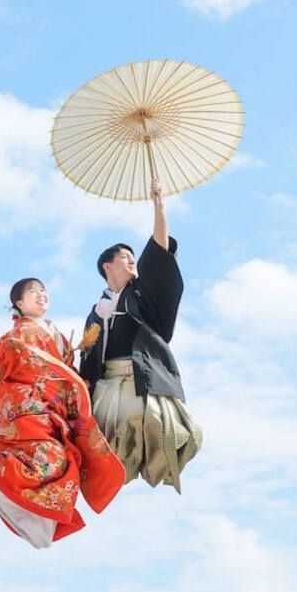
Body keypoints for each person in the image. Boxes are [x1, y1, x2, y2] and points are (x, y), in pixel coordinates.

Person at [0, 278, 125, 549]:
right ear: (19, 304)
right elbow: (1, 358)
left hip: (52, 411)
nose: (40, 295)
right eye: (32, 292)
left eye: (42, 291)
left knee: (63, 467)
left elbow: (66, 372)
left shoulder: (57, 336)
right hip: (26, 406)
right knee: (49, 458)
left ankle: (0, 495)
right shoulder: (18, 334)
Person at [78, 180, 202, 493]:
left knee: (166, 430)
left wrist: (159, 206)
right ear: (107, 265)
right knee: (98, 446)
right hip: (108, 386)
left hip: (142, 377)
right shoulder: (96, 312)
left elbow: (158, 253)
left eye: (134, 256)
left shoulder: (140, 294)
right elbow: (88, 358)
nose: (132, 260)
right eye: (125, 256)